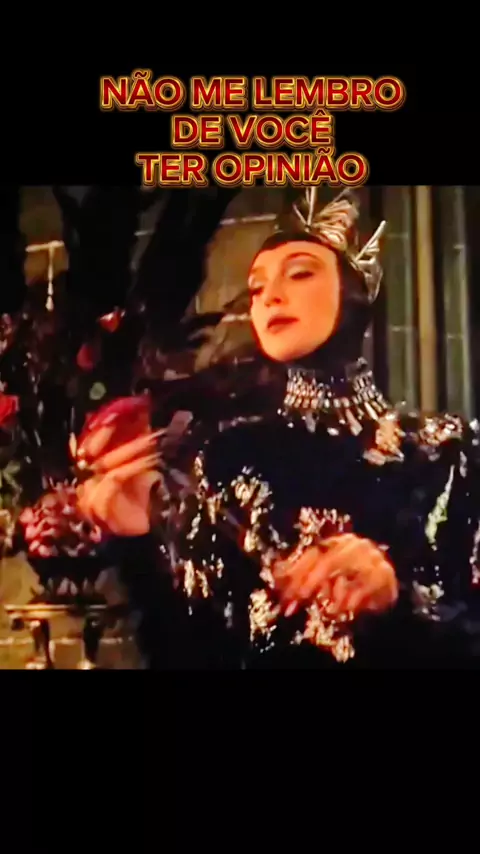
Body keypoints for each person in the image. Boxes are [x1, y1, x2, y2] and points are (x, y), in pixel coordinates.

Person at [75, 188, 480, 668]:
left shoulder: (442, 451)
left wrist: (397, 594)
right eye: (256, 288)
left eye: (301, 272)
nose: (271, 297)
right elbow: (190, 651)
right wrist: (134, 544)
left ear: (355, 291)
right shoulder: (226, 456)